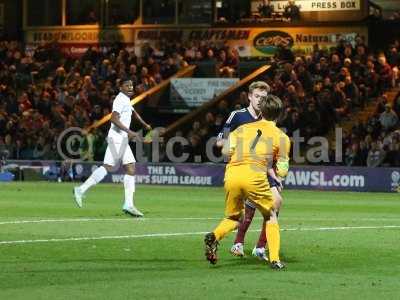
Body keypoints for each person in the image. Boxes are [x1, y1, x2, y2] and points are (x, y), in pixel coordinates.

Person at [205, 94, 291, 270]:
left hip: (232, 175)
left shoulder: (242, 129)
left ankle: (214, 235)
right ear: (279, 115)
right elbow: (282, 168)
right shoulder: (281, 137)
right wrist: (278, 173)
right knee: (271, 215)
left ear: (261, 111)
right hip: (255, 176)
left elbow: (225, 152)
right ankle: (274, 259)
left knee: (234, 217)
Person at [73, 78, 151, 217]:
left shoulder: (126, 100)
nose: (130, 87)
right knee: (113, 167)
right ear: (120, 88)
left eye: (131, 85)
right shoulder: (120, 100)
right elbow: (114, 119)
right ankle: (81, 190)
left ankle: (128, 204)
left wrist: (144, 124)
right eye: (127, 85)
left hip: (121, 138)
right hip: (117, 137)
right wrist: (130, 132)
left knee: (129, 167)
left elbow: (133, 113)